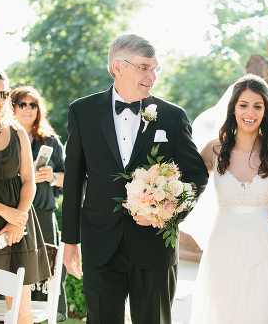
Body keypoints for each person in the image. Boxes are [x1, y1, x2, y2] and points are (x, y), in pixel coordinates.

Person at [62, 33, 208, 324]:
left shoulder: (172, 116)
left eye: (155, 68)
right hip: (100, 244)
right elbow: (74, 179)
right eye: (144, 67)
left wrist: (168, 211)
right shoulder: (82, 111)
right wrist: (70, 242)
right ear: (118, 67)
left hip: (155, 247)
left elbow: (197, 175)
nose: (152, 76)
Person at [189, 74, 268, 323]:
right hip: (224, 244)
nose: (250, 112)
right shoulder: (213, 149)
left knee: (264, 311)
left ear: (266, 111)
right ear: (233, 108)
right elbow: (186, 188)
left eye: (258, 106)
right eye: (243, 105)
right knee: (225, 312)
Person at [0, 70, 51, 324]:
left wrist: (18, 220)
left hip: (19, 221)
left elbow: (28, 180)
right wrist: (8, 215)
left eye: (3, 93)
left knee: (21, 311)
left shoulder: (18, 133)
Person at [10, 85, 67, 320]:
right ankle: (15, 314)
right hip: (14, 216)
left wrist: (51, 177)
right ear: (11, 107)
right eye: (22, 104)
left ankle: (52, 314)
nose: (27, 109)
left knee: (49, 270)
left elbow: (67, 177)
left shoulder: (51, 141)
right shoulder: (3, 138)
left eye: (32, 104)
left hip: (43, 214)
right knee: (15, 268)